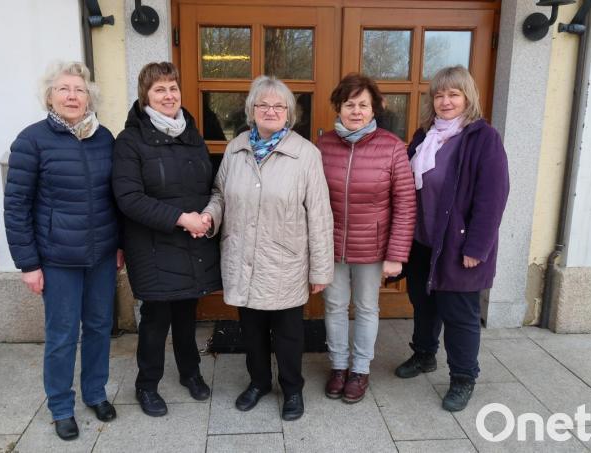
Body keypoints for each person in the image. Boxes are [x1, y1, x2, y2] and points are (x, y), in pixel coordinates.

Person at [201, 76, 334, 421]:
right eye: (263, 105)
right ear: (252, 111)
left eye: (278, 106)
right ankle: (258, 382)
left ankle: (292, 389)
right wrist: (208, 217)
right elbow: (220, 194)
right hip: (242, 257)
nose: (271, 110)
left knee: (289, 335)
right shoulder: (236, 148)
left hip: (284, 262)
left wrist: (321, 269)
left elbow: (319, 214)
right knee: (252, 330)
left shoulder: (306, 154)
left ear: (289, 112)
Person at [4, 61, 123, 441]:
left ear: (90, 97)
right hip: (57, 259)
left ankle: (95, 393)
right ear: (50, 97)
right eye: (63, 89)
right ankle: (60, 406)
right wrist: (28, 264)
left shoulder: (104, 137)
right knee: (61, 335)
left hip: (102, 255)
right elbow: (16, 206)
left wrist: (119, 244)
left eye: (79, 89)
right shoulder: (31, 140)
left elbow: (116, 197)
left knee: (101, 327)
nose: (72, 96)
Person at [394, 66, 509, 412]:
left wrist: (477, 247)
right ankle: (425, 355)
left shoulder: (482, 138)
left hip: (458, 246)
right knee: (424, 304)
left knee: (460, 314)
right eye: (439, 95)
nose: (445, 101)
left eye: (453, 94)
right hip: (422, 242)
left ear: (467, 97)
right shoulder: (424, 135)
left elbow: (493, 197)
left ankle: (463, 377)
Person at [112, 62, 222, 417]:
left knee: (188, 315)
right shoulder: (130, 140)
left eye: (173, 88)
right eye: (160, 89)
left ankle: (191, 373)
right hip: (153, 246)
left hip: (192, 241)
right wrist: (180, 219)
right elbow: (129, 198)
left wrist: (204, 216)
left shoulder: (192, 133)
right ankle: (147, 384)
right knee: (156, 321)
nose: (168, 95)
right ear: (145, 96)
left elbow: (206, 185)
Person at [317, 73, 415, 403]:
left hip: (373, 247)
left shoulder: (391, 147)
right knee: (333, 306)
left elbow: (405, 202)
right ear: (338, 107)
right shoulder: (324, 145)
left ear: (374, 110)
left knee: (366, 307)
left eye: (363, 105)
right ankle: (339, 367)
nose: (356, 111)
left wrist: (396, 254)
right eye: (349, 104)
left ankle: (360, 370)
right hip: (330, 245)